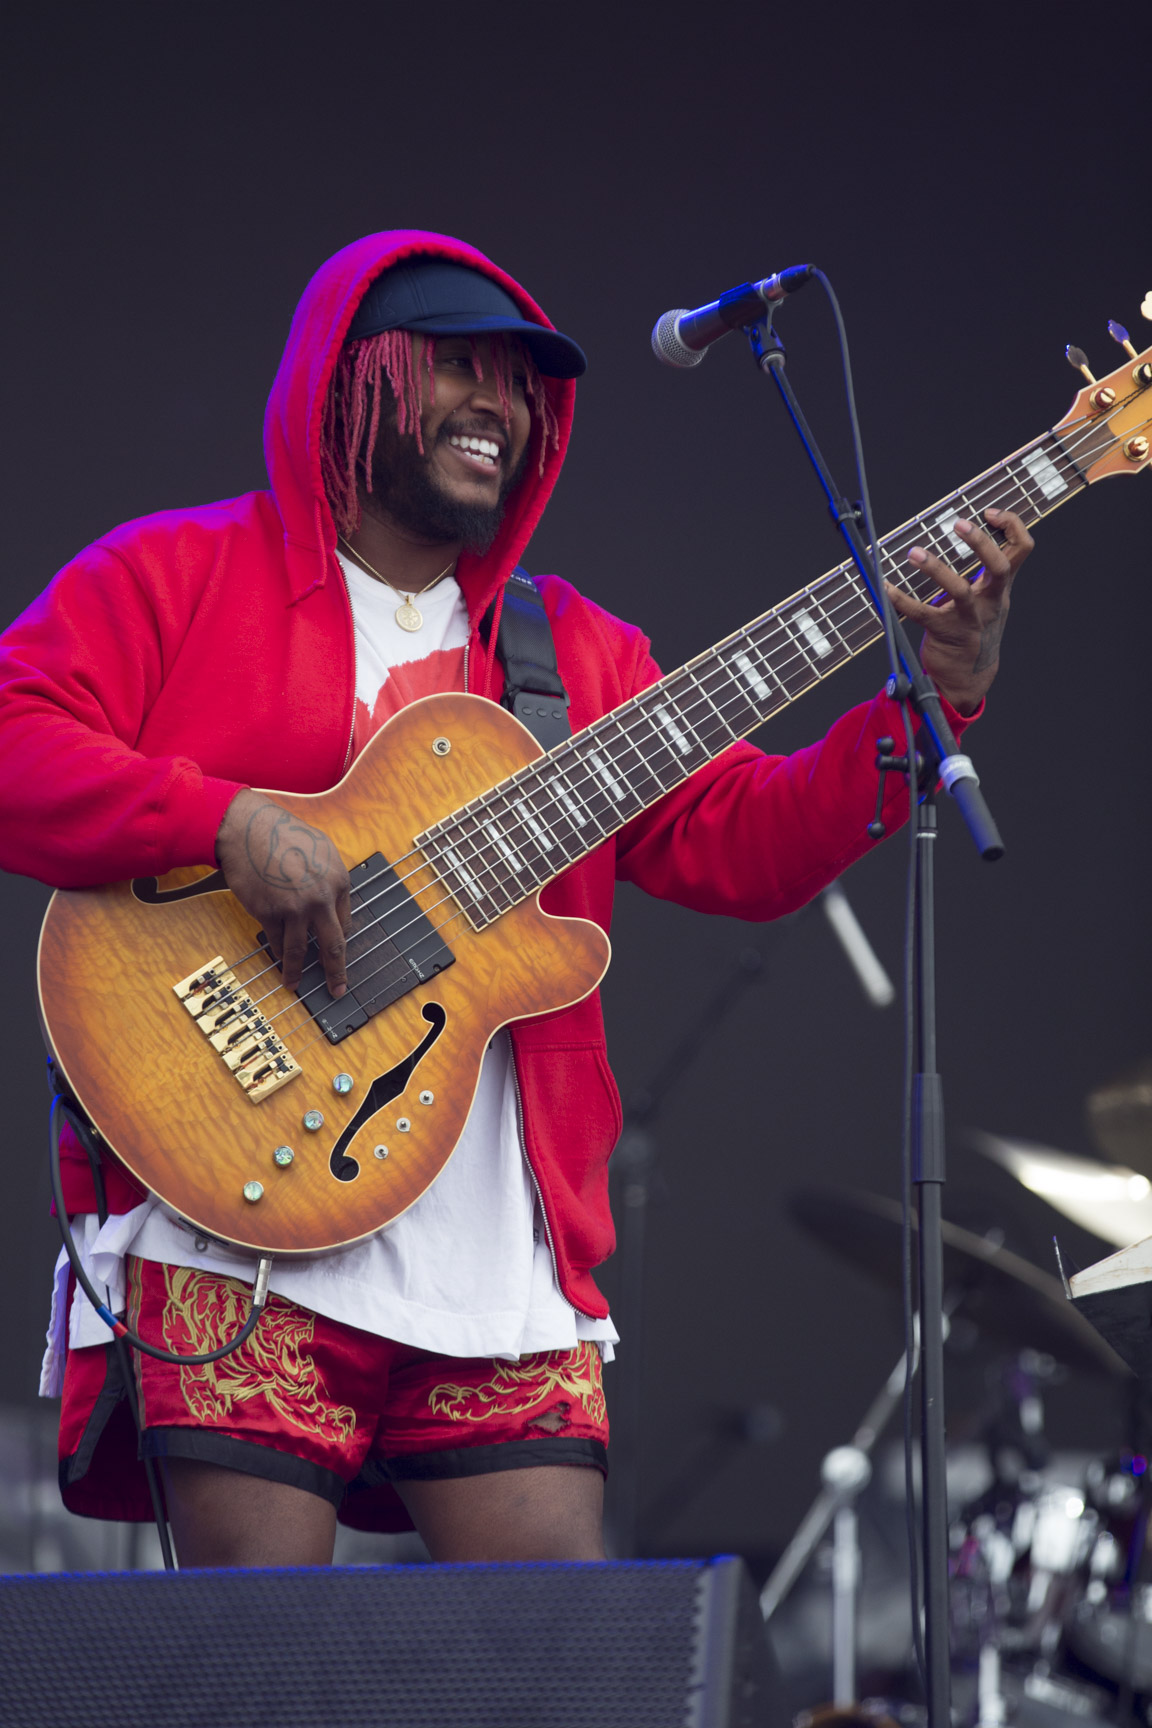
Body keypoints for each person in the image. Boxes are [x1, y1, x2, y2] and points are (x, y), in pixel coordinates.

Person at [0, 230, 1031, 1568]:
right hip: (233, 1221)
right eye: (460, 370)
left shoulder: (573, 653)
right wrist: (225, 820)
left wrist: (933, 692)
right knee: (262, 1674)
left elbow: (747, 842)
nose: (502, 404)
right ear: (351, 375)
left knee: (558, 1673)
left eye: (522, 383)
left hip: (499, 1268)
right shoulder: (178, 577)